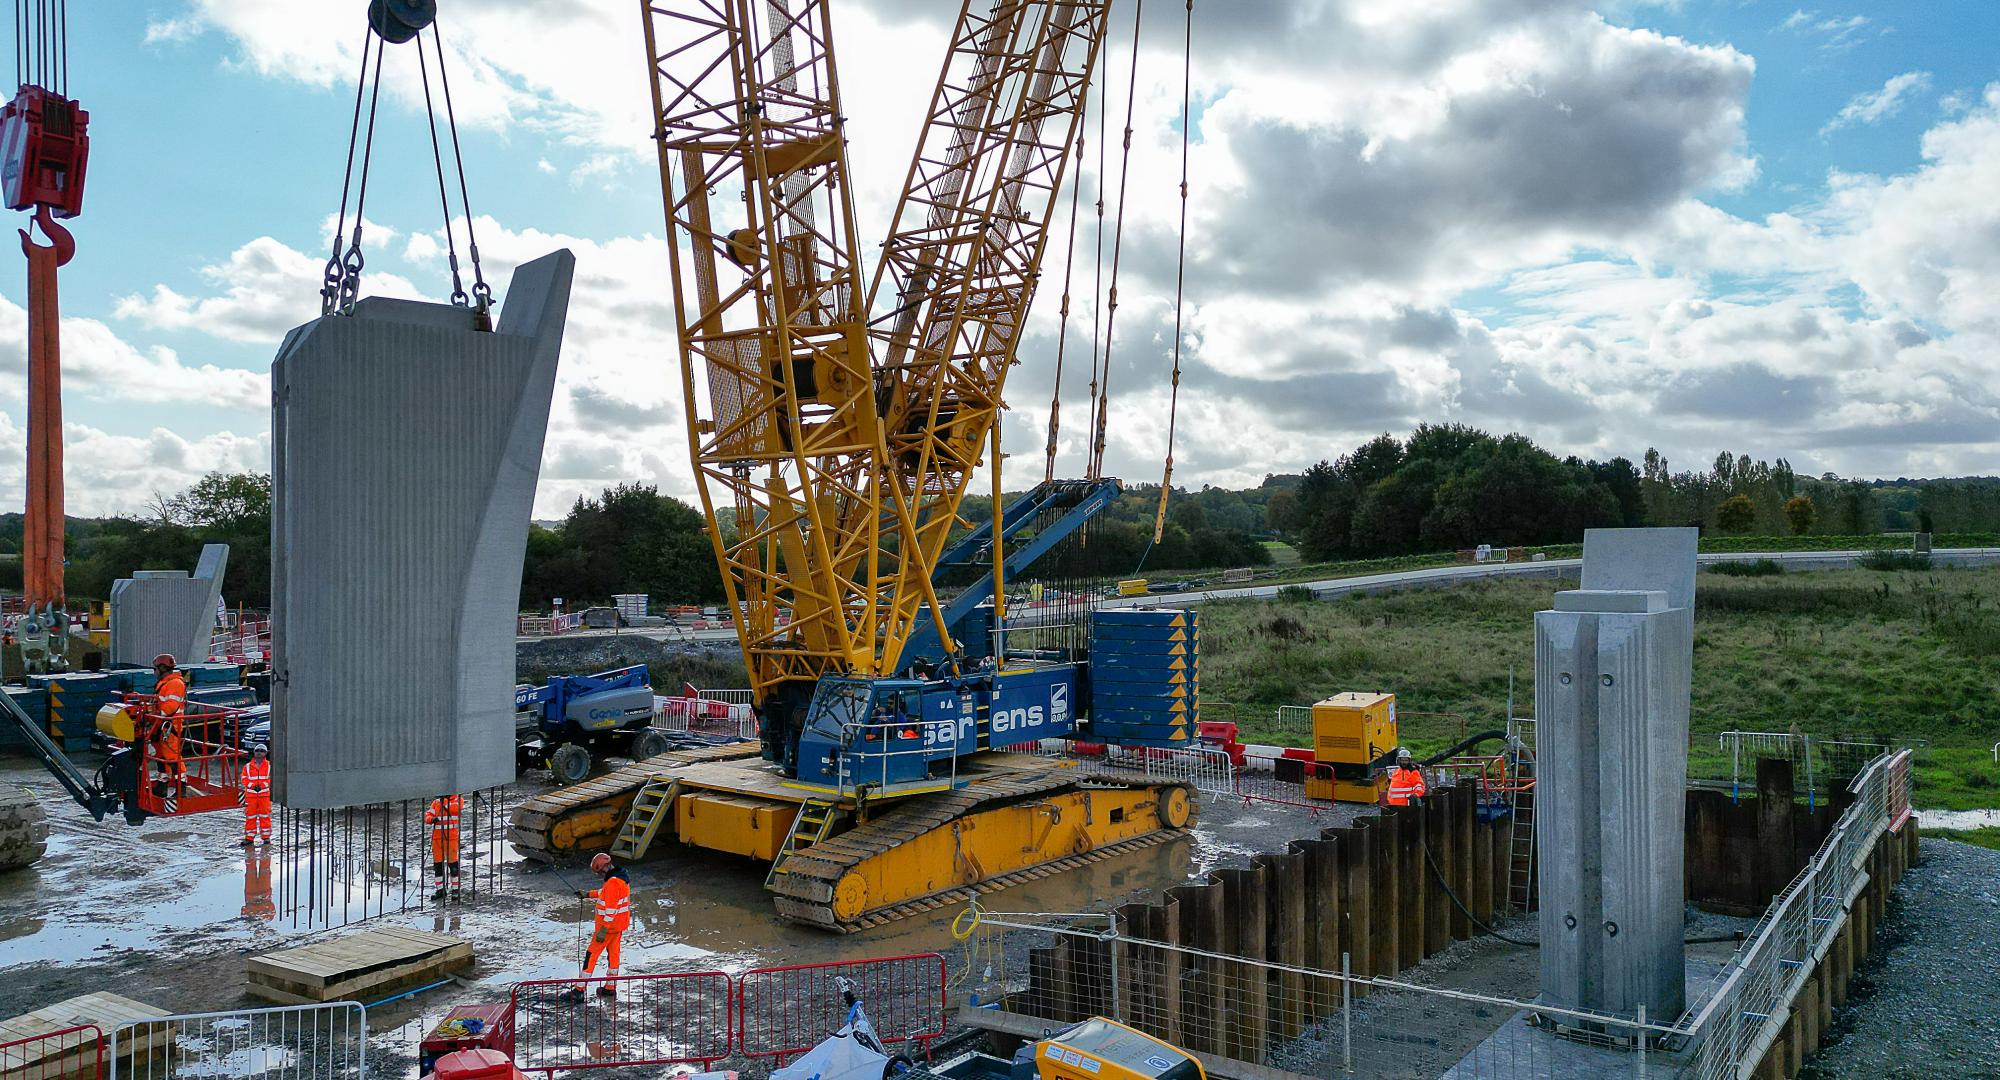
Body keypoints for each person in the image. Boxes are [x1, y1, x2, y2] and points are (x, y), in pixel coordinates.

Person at [578, 852, 631, 995]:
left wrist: (603, 930)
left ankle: (579, 989)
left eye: (600, 872)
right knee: (614, 956)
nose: (600, 875)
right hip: (617, 927)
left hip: (607, 929)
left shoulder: (612, 882)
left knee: (591, 955)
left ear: (605, 868)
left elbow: (611, 910)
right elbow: (604, 893)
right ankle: (610, 987)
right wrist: (587, 894)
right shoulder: (620, 878)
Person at [149, 653, 189, 795]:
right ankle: (162, 785)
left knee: (172, 757)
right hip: (162, 724)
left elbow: (171, 706)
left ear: (162, 668)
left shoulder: (175, 684)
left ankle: (181, 789)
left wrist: (154, 714)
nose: (154, 672)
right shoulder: (165, 683)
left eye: (155, 669)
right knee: (161, 756)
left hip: (171, 726)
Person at [426, 793, 464, 900]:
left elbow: (456, 809)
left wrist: (444, 801)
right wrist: (431, 819)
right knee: (438, 866)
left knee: (453, 865)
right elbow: (428, 815)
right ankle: (440, 890)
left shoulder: (458, 799)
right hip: (437, 839)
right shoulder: (436, 802)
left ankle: (455, 890)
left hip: (451, 838)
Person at [241, 744, 273, 846]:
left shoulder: (269, 766)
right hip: (251, 797)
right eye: (257, 750)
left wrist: (263, 786)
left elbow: (271, 778)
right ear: (254, 752)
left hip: (264, 796)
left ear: (266, 753)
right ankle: (249, 838)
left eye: (262, 751)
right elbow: (244, 778)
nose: (259, 752)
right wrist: (253, 786)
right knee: (250, 817)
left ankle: (266, 837)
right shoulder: (247, 767)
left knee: (265, 816)